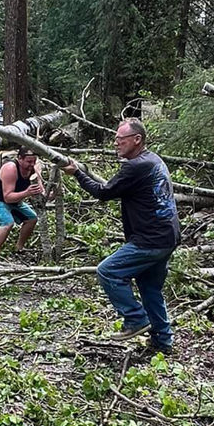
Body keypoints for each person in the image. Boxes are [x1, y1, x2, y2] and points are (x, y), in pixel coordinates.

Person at [62, 119, 181, 354]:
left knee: (108, 271)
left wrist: (77, 173)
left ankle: (136, 319)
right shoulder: (152, 160)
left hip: (150, 239)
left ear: (137, 140)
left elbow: (104, 192)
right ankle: (163, 342)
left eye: (121, 139)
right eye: (116, 138)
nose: (116, 143)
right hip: (167, 236)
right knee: (150, 287)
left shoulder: (135, 166)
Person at [0, 146, 43, 262]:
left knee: (32, 218)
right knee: (7, 222)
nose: (31, 165)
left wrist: (52, 193)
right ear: (20, 159)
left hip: (14, 200)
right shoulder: (10, 168)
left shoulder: (34, 169)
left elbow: (42, 192)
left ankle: (19, 247)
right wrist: (27, 192)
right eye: (29, 162)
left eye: (34, 161)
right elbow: (8, 197)